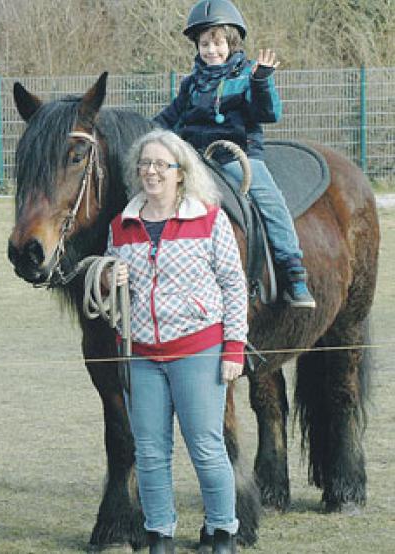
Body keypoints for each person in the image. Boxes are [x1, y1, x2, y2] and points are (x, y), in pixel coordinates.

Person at [106, 129, 246, 554]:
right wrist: (111, 278)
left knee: (206, 446)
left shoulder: (209, 217)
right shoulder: (122, 224)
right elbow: (111, 291)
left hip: (198, 351)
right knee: (149, 452)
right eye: (144, 164)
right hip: (143, 356)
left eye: (160, 165)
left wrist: (234, 348)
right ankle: (159, 532)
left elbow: (233, 285)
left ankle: (223, 530)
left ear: (180, 173)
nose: (150, 171)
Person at [154, 0, 315, 309]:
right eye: (204, 43)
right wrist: (145, 135)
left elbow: (268, 113)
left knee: (270, 200)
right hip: (196, 160)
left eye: (217, 42)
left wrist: (262, 80)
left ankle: (293, 271)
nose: (211, 50)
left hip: (237, 157)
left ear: (231, 43)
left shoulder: (248, 77)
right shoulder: (191, 85)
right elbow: (168, 120)